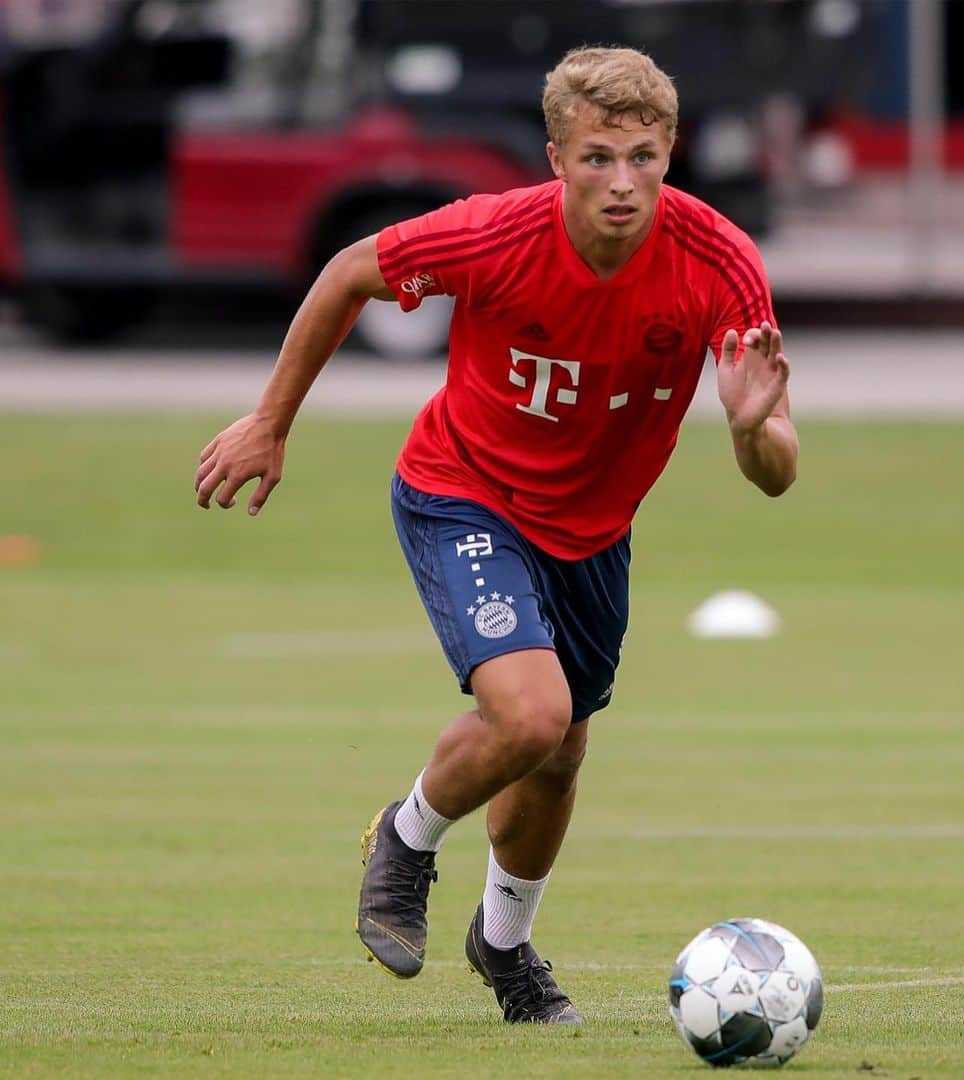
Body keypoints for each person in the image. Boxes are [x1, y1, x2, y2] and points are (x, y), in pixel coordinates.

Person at [194, 45, 797, 1025]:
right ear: (556, 157)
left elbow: (778, 471)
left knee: (559, 753)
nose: (623, 182)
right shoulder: (494, 235)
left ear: (671, 151)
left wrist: (747, 429)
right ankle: (406, 836)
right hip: (461, 492)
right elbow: (349, 273)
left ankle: (505, 948)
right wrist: (270, 421)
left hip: (594, 534)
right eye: (598, 157)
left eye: (643, 156)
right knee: (530, 716)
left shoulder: (719, 261)